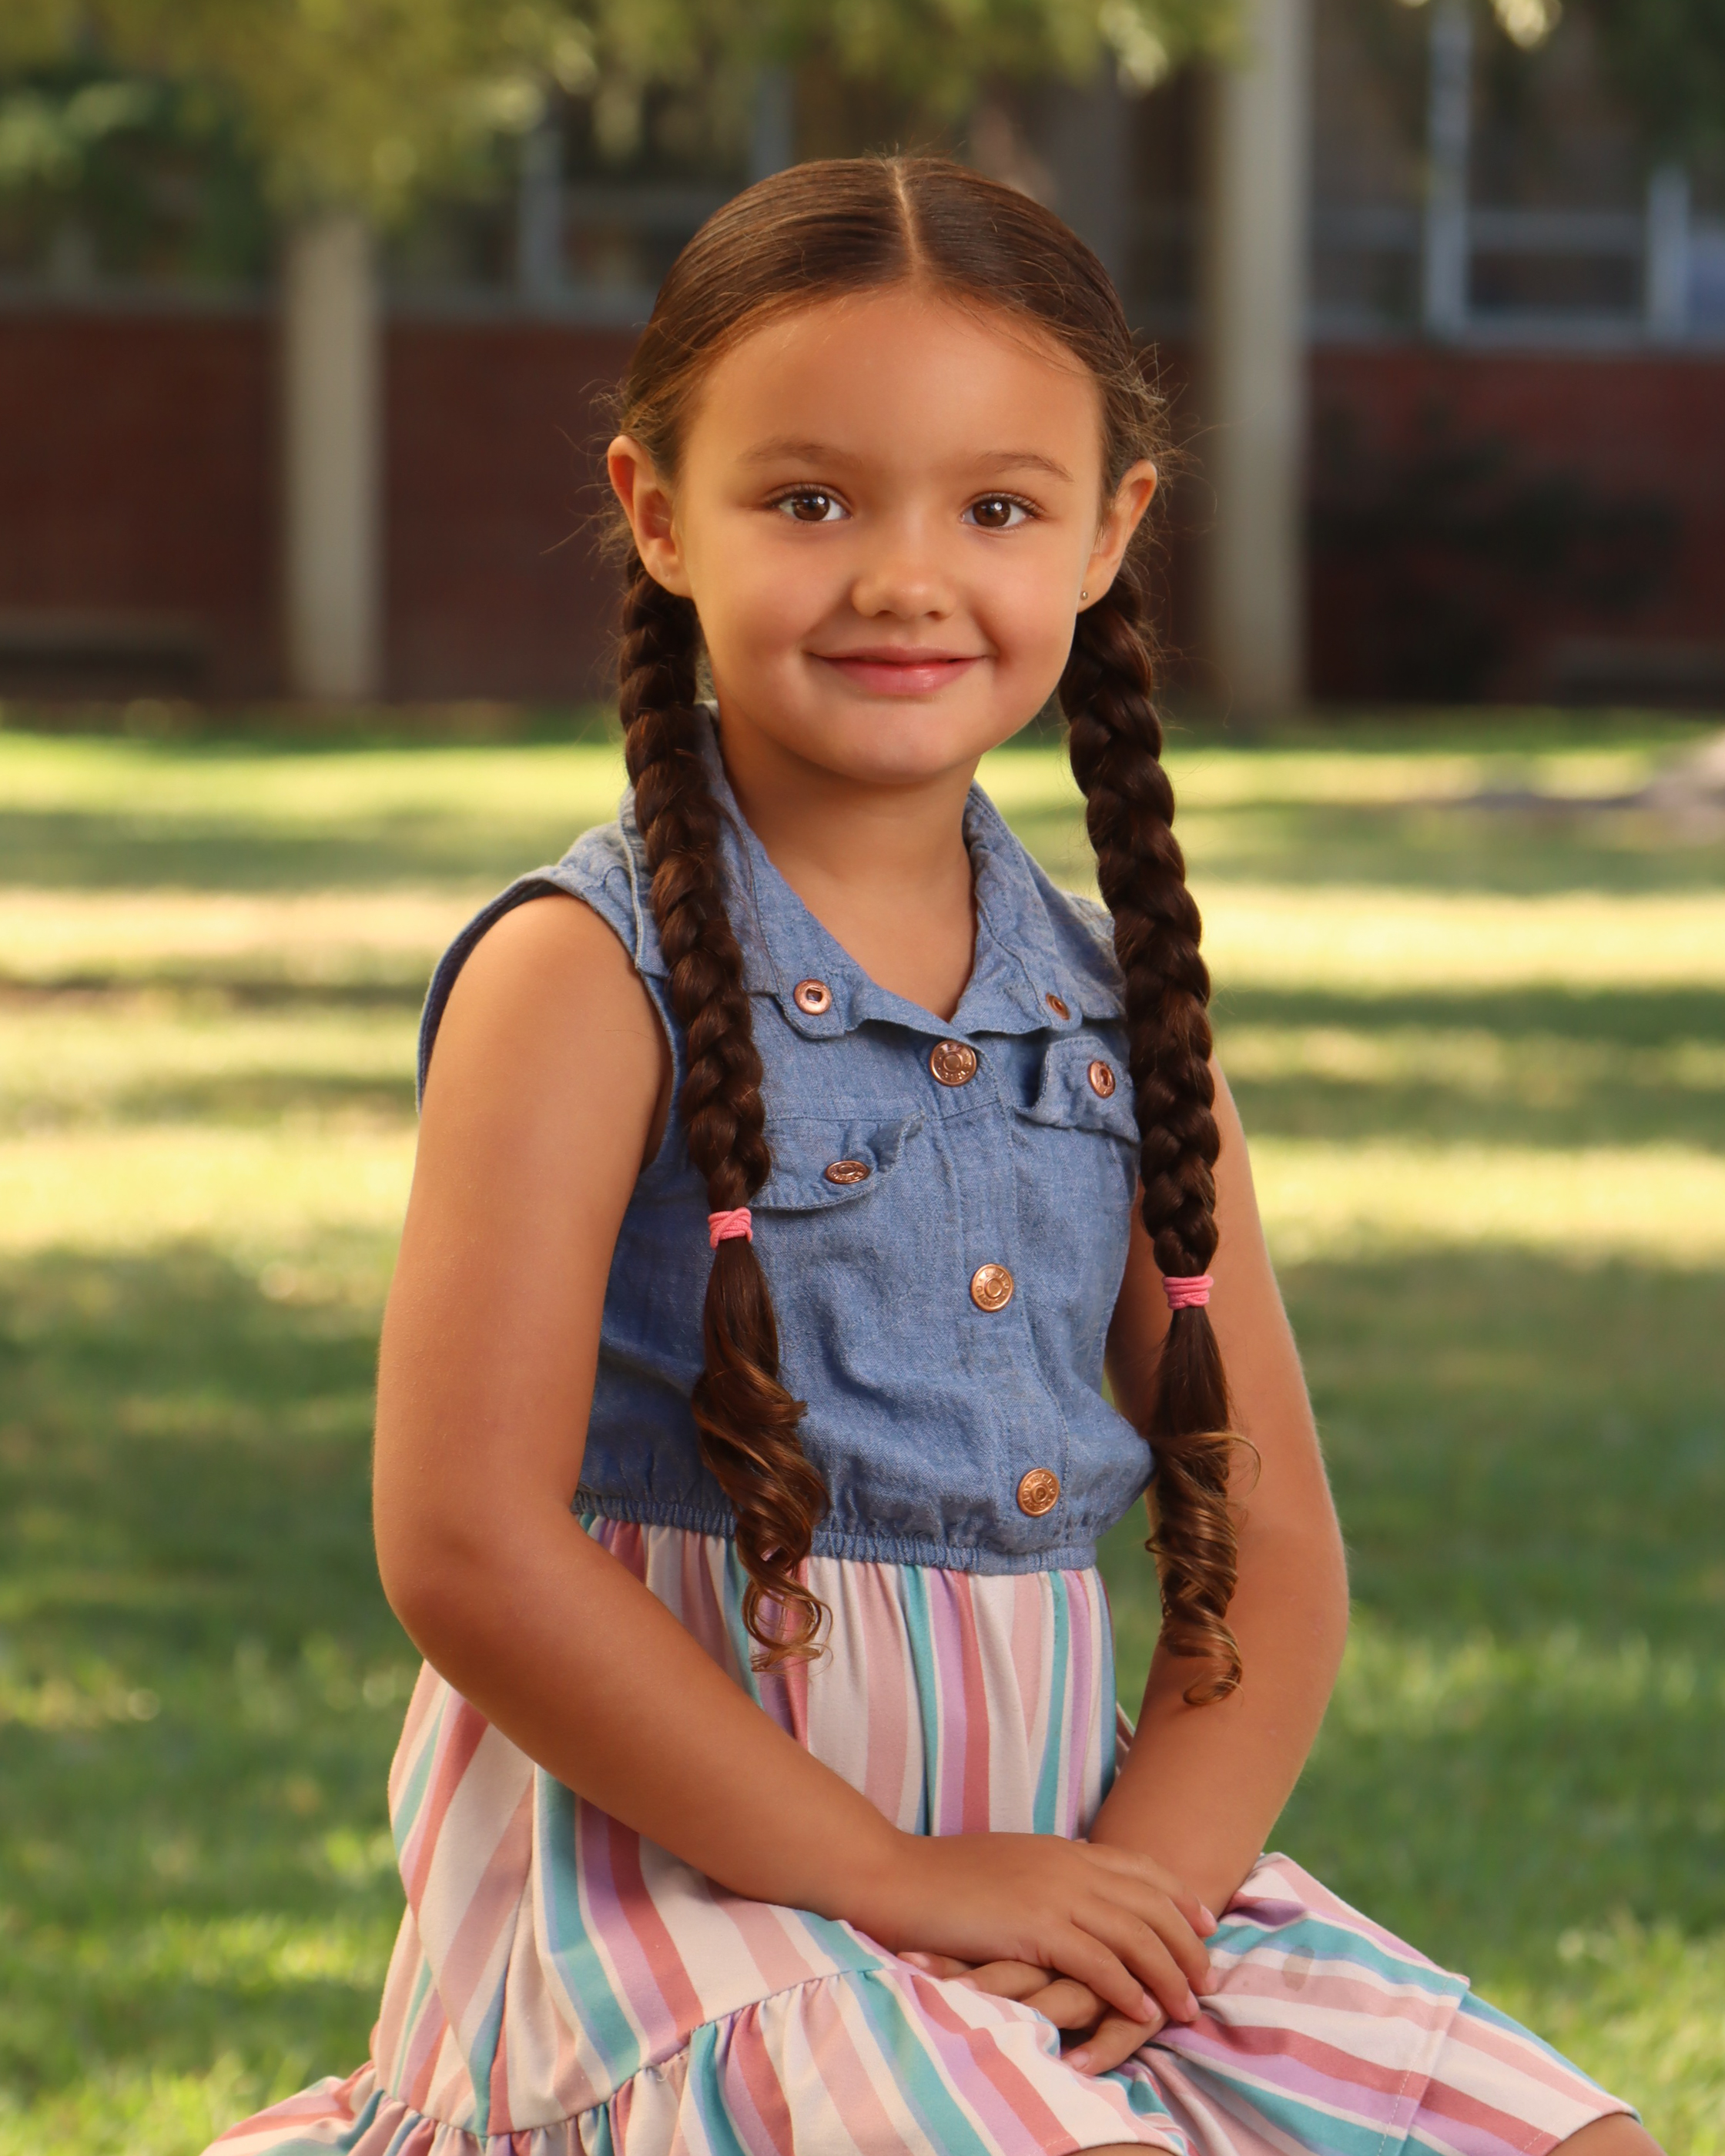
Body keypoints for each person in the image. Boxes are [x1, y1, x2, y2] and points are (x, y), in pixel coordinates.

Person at [207, 157, 1652, 2156]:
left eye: (996, 508)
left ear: (1109, 531)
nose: (904, 576)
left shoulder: (1120, 1009)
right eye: (810, 501)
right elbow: (466, 1542)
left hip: (1058, 1872)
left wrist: (1129, 1917)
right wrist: (898, 1883)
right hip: (676, 1906)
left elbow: (1275, 1553)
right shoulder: (584, 977)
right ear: (659, 514)